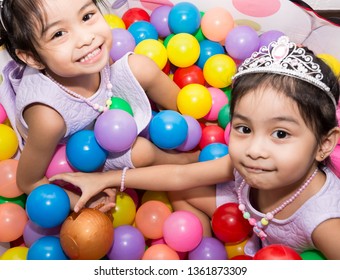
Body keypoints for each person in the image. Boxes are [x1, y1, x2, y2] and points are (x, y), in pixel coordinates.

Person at [50, 36, 340, 259]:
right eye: (244, 129)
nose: (254, 149)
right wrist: (105, 178)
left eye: (280, 133)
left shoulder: (325, 224)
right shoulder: (248, 165)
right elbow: (180, 176)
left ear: (324, 145)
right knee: (179, 189)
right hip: (242, 210)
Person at [0, 0, 199, 211]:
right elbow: (29, 181)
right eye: (59, 34)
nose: (86, 38)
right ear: (32, 57)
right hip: (78, 147)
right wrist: (87, 201)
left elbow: (110, 77)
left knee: (143, 67)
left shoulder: (86, 56)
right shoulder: (48, 117)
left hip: (107, 106)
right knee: (141, 151)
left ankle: (193, 126)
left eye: (87, 16)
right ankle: (183, 160)